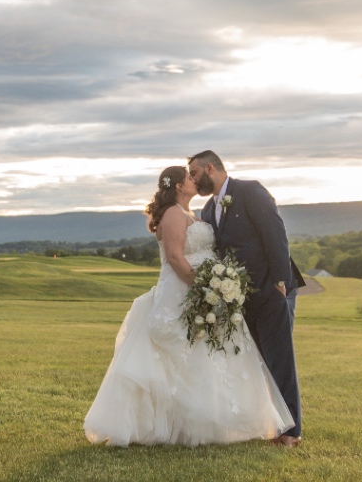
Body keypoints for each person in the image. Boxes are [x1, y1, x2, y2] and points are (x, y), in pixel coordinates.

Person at [83, 166, 293, 446]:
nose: (195, 181)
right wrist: (203, 286)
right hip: (184, 291)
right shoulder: (172, 213)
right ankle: (183, 425)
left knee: (210, 353)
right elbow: (174, 256)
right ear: (179, 186)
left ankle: (220, 421)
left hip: (203, 291)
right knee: (187, 352)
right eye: (190, 178)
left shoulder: (194, 213)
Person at [188, 150, 304, 445]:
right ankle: (271, 423)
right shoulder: (207, 209)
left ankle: (291, 431)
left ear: (210, 168)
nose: (192, 180)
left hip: (271, 288)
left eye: (194, 174)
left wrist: (280, 280)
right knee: (259, 362)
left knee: (279, 358)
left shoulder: (250, 190)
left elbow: (275, 232)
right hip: (240, 296)